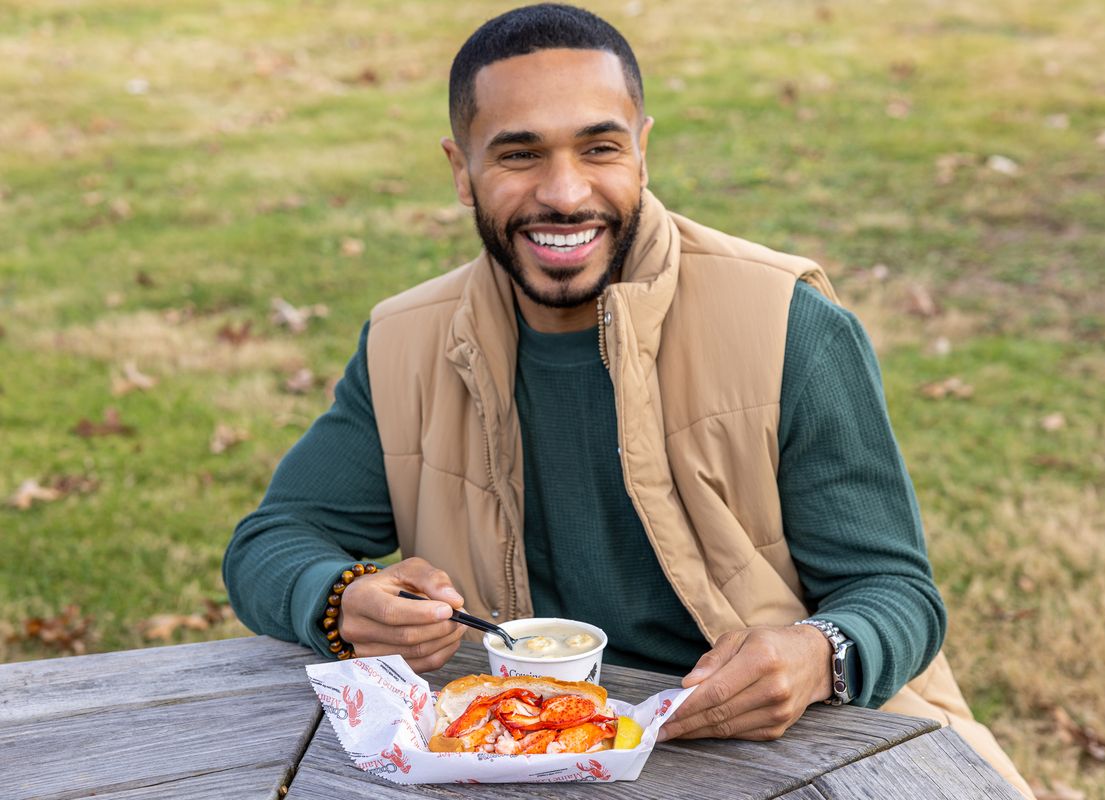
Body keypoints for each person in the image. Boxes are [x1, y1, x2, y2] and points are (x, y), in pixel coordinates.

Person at [223, 4, 1032, 795]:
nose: (565, 194)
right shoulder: (406, 342)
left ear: (642, 152)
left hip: (793, 752)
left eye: (599, 147)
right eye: (518, 156)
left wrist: (821, 653)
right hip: (519, 758)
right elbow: (273, 542)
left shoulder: (790, 323)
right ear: (460, 171)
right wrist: (340, 600)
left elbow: (897, 594)